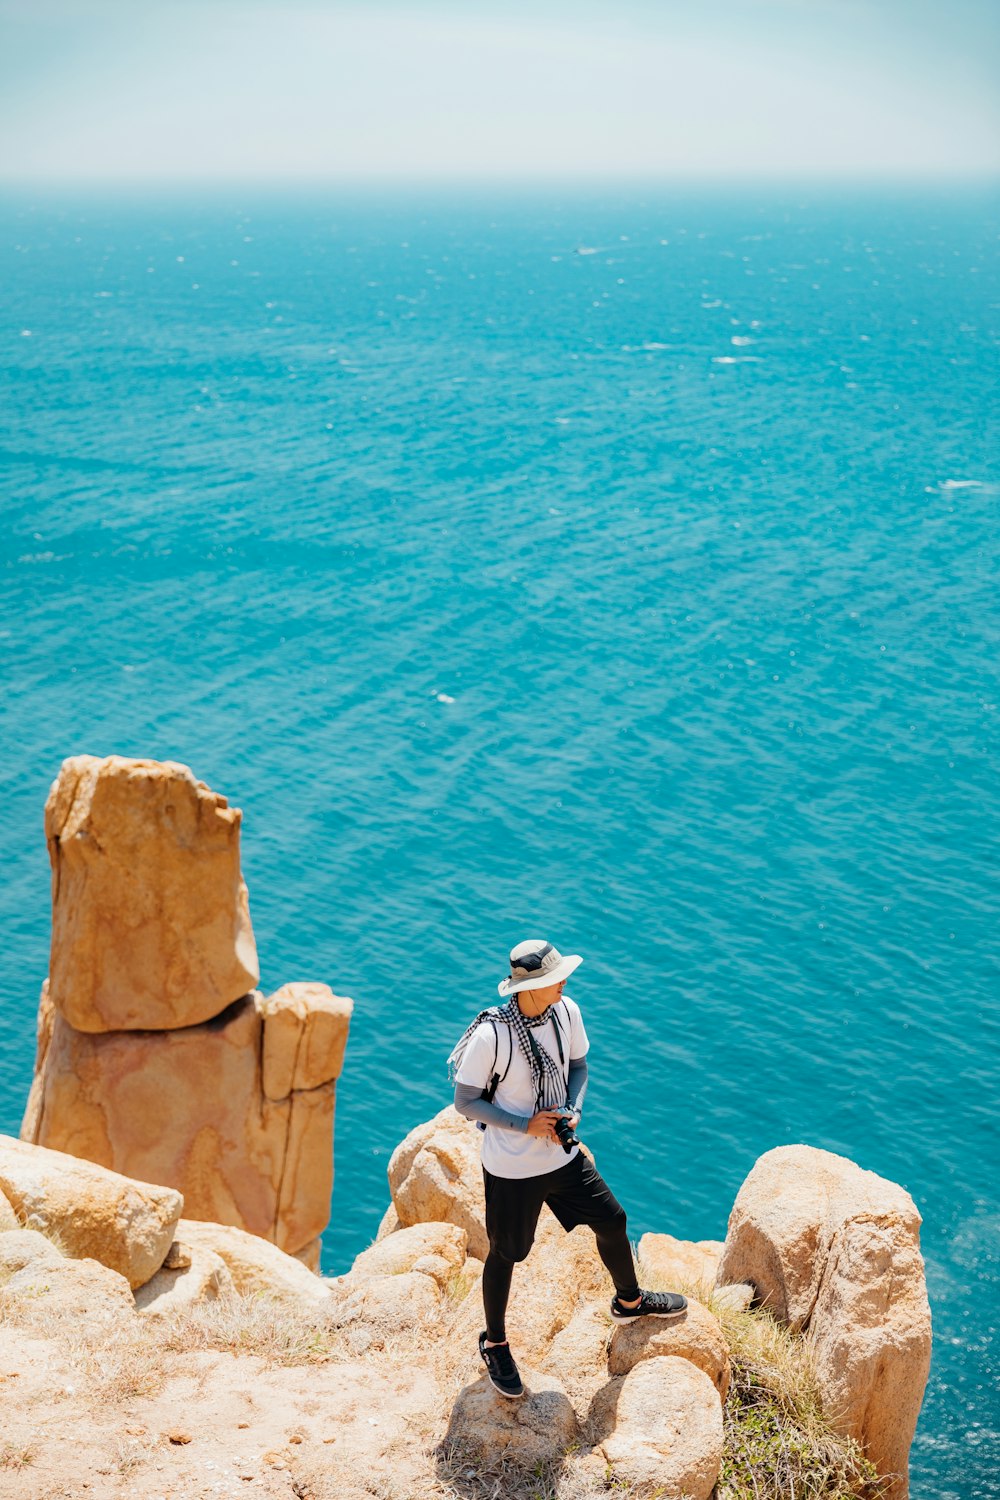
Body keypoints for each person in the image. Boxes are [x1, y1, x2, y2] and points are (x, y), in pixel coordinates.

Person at [449, 938, 687, 1400]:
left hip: (561, 1154)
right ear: (530, 987)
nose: (563, 983)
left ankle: (629, 1301)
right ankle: (494, 1343)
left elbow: (578, 1067)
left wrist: (571, 1110)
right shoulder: (491, 1035)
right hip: (511, 1167)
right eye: (554, 979)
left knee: (612, 1221)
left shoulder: (566, 1012)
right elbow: (465, 1101)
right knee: (507, 1253)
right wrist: (525, 1124)